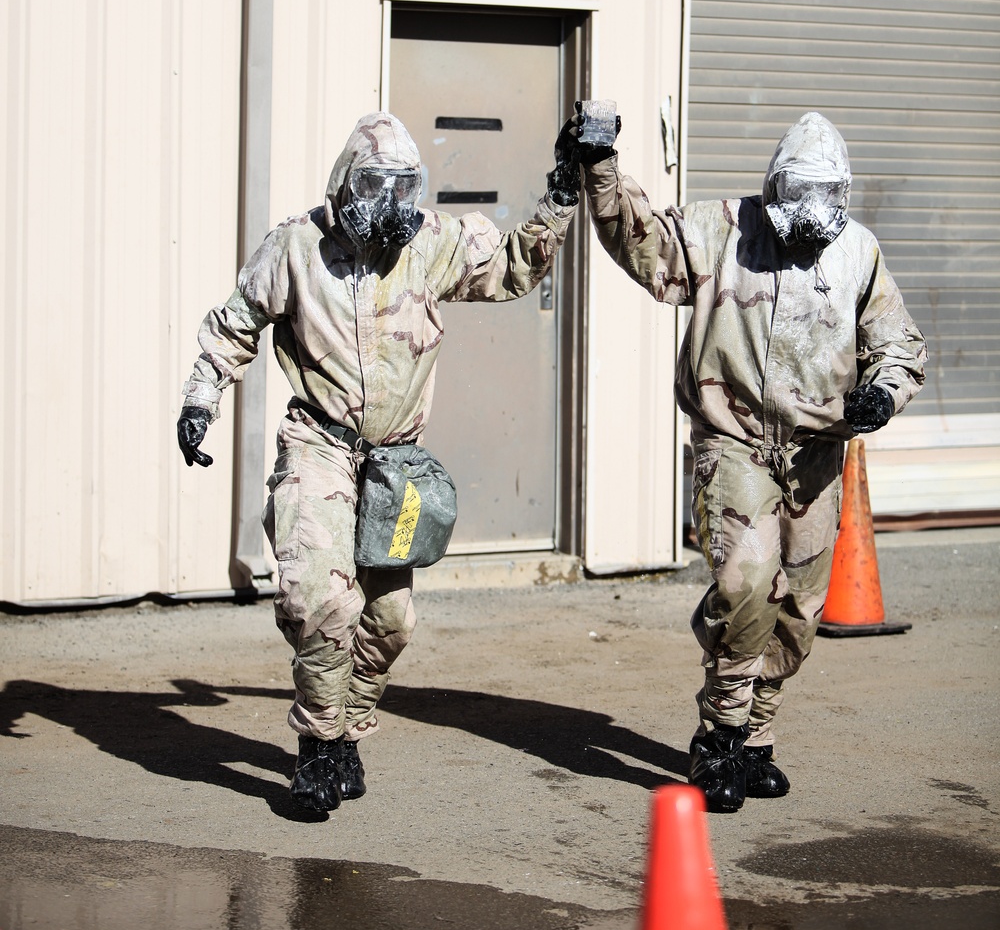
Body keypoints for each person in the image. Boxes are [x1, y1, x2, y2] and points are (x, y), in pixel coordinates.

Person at [177, 110, 590, 815]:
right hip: (320, 447)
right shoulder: (296, 247)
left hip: (394, 467)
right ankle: (315, 748)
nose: (394, 204)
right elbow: (236, 322)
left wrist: (562, 194)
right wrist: (199, 400)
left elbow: (515, 267)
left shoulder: (431, 243)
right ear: (346, 183)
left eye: (407, 188)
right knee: (318, 602)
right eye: (378, 186)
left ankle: (346, 731)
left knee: (391, 619)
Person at [576, 110, 926, 812]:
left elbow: (898, 345)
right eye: (798, 191)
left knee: (797, 610)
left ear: (845, 194)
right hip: (732, 441)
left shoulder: (858, 252)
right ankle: (720, 738)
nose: (811, 209)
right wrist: (600, 167)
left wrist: (881, 396)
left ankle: (757, 738)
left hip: (816, 455)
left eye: (827, 193)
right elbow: (640, 240)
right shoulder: (722, 230)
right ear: (773, 185)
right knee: (745, 584)